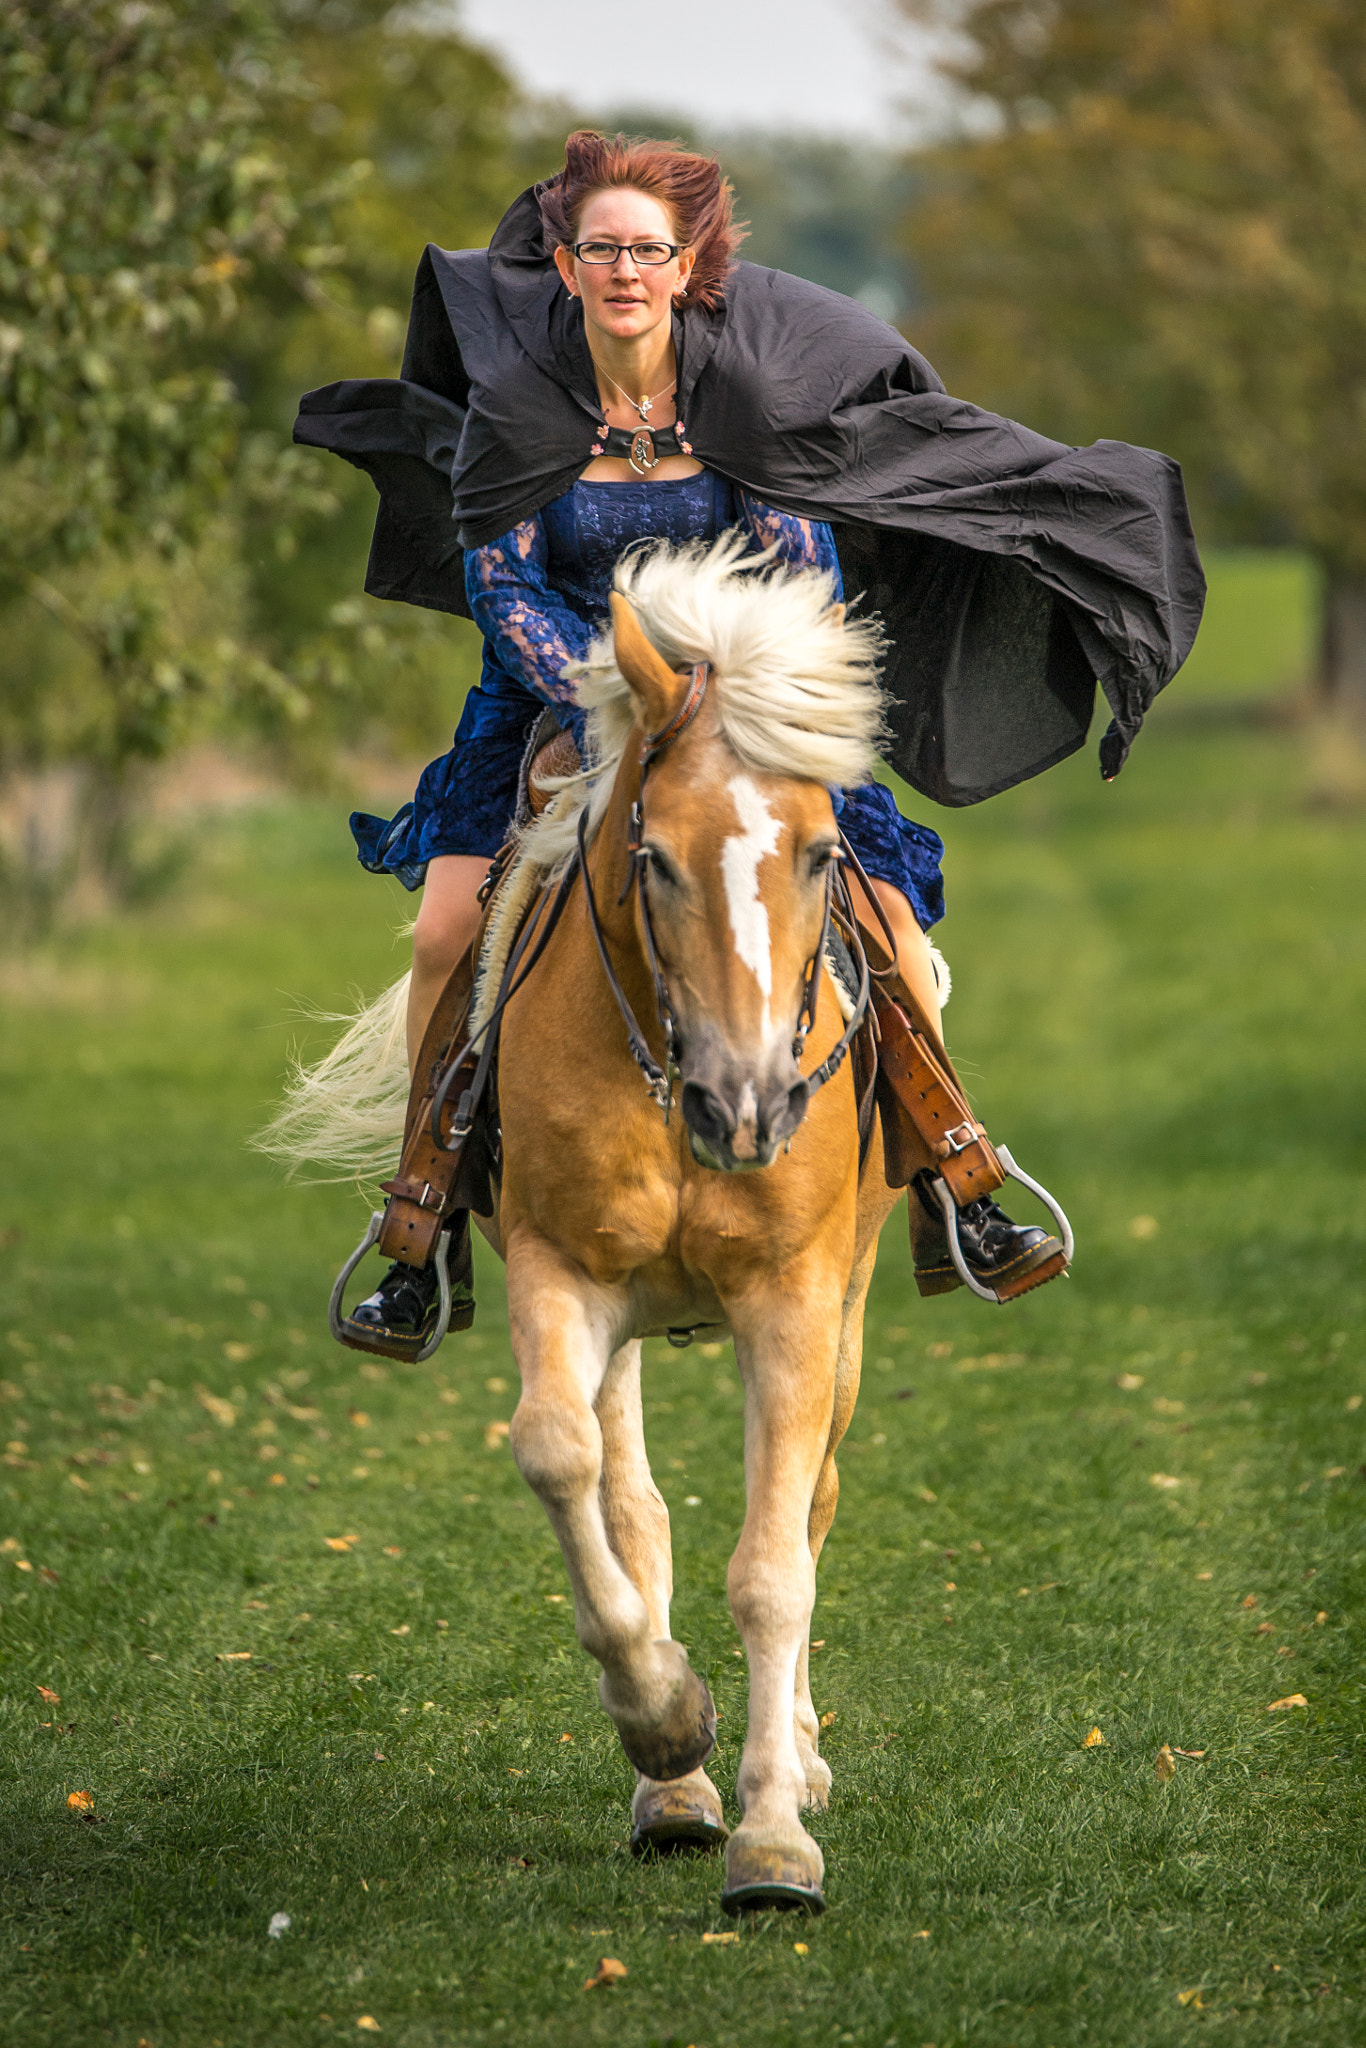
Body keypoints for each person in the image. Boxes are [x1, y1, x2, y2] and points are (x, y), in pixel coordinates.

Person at [294, 130, 1204, 1347]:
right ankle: (425, 1223)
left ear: (688, 268)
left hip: (746, 706)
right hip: (555, 695)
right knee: (447, 928)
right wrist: (609, 701)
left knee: (886, 924)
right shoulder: (513, 414)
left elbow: (802, 576)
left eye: (648, 250)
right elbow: (505, 591)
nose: (625, 270)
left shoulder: (748, 402)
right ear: (564, 268)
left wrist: (718, 704)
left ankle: (954, 1176)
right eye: (601, 248)